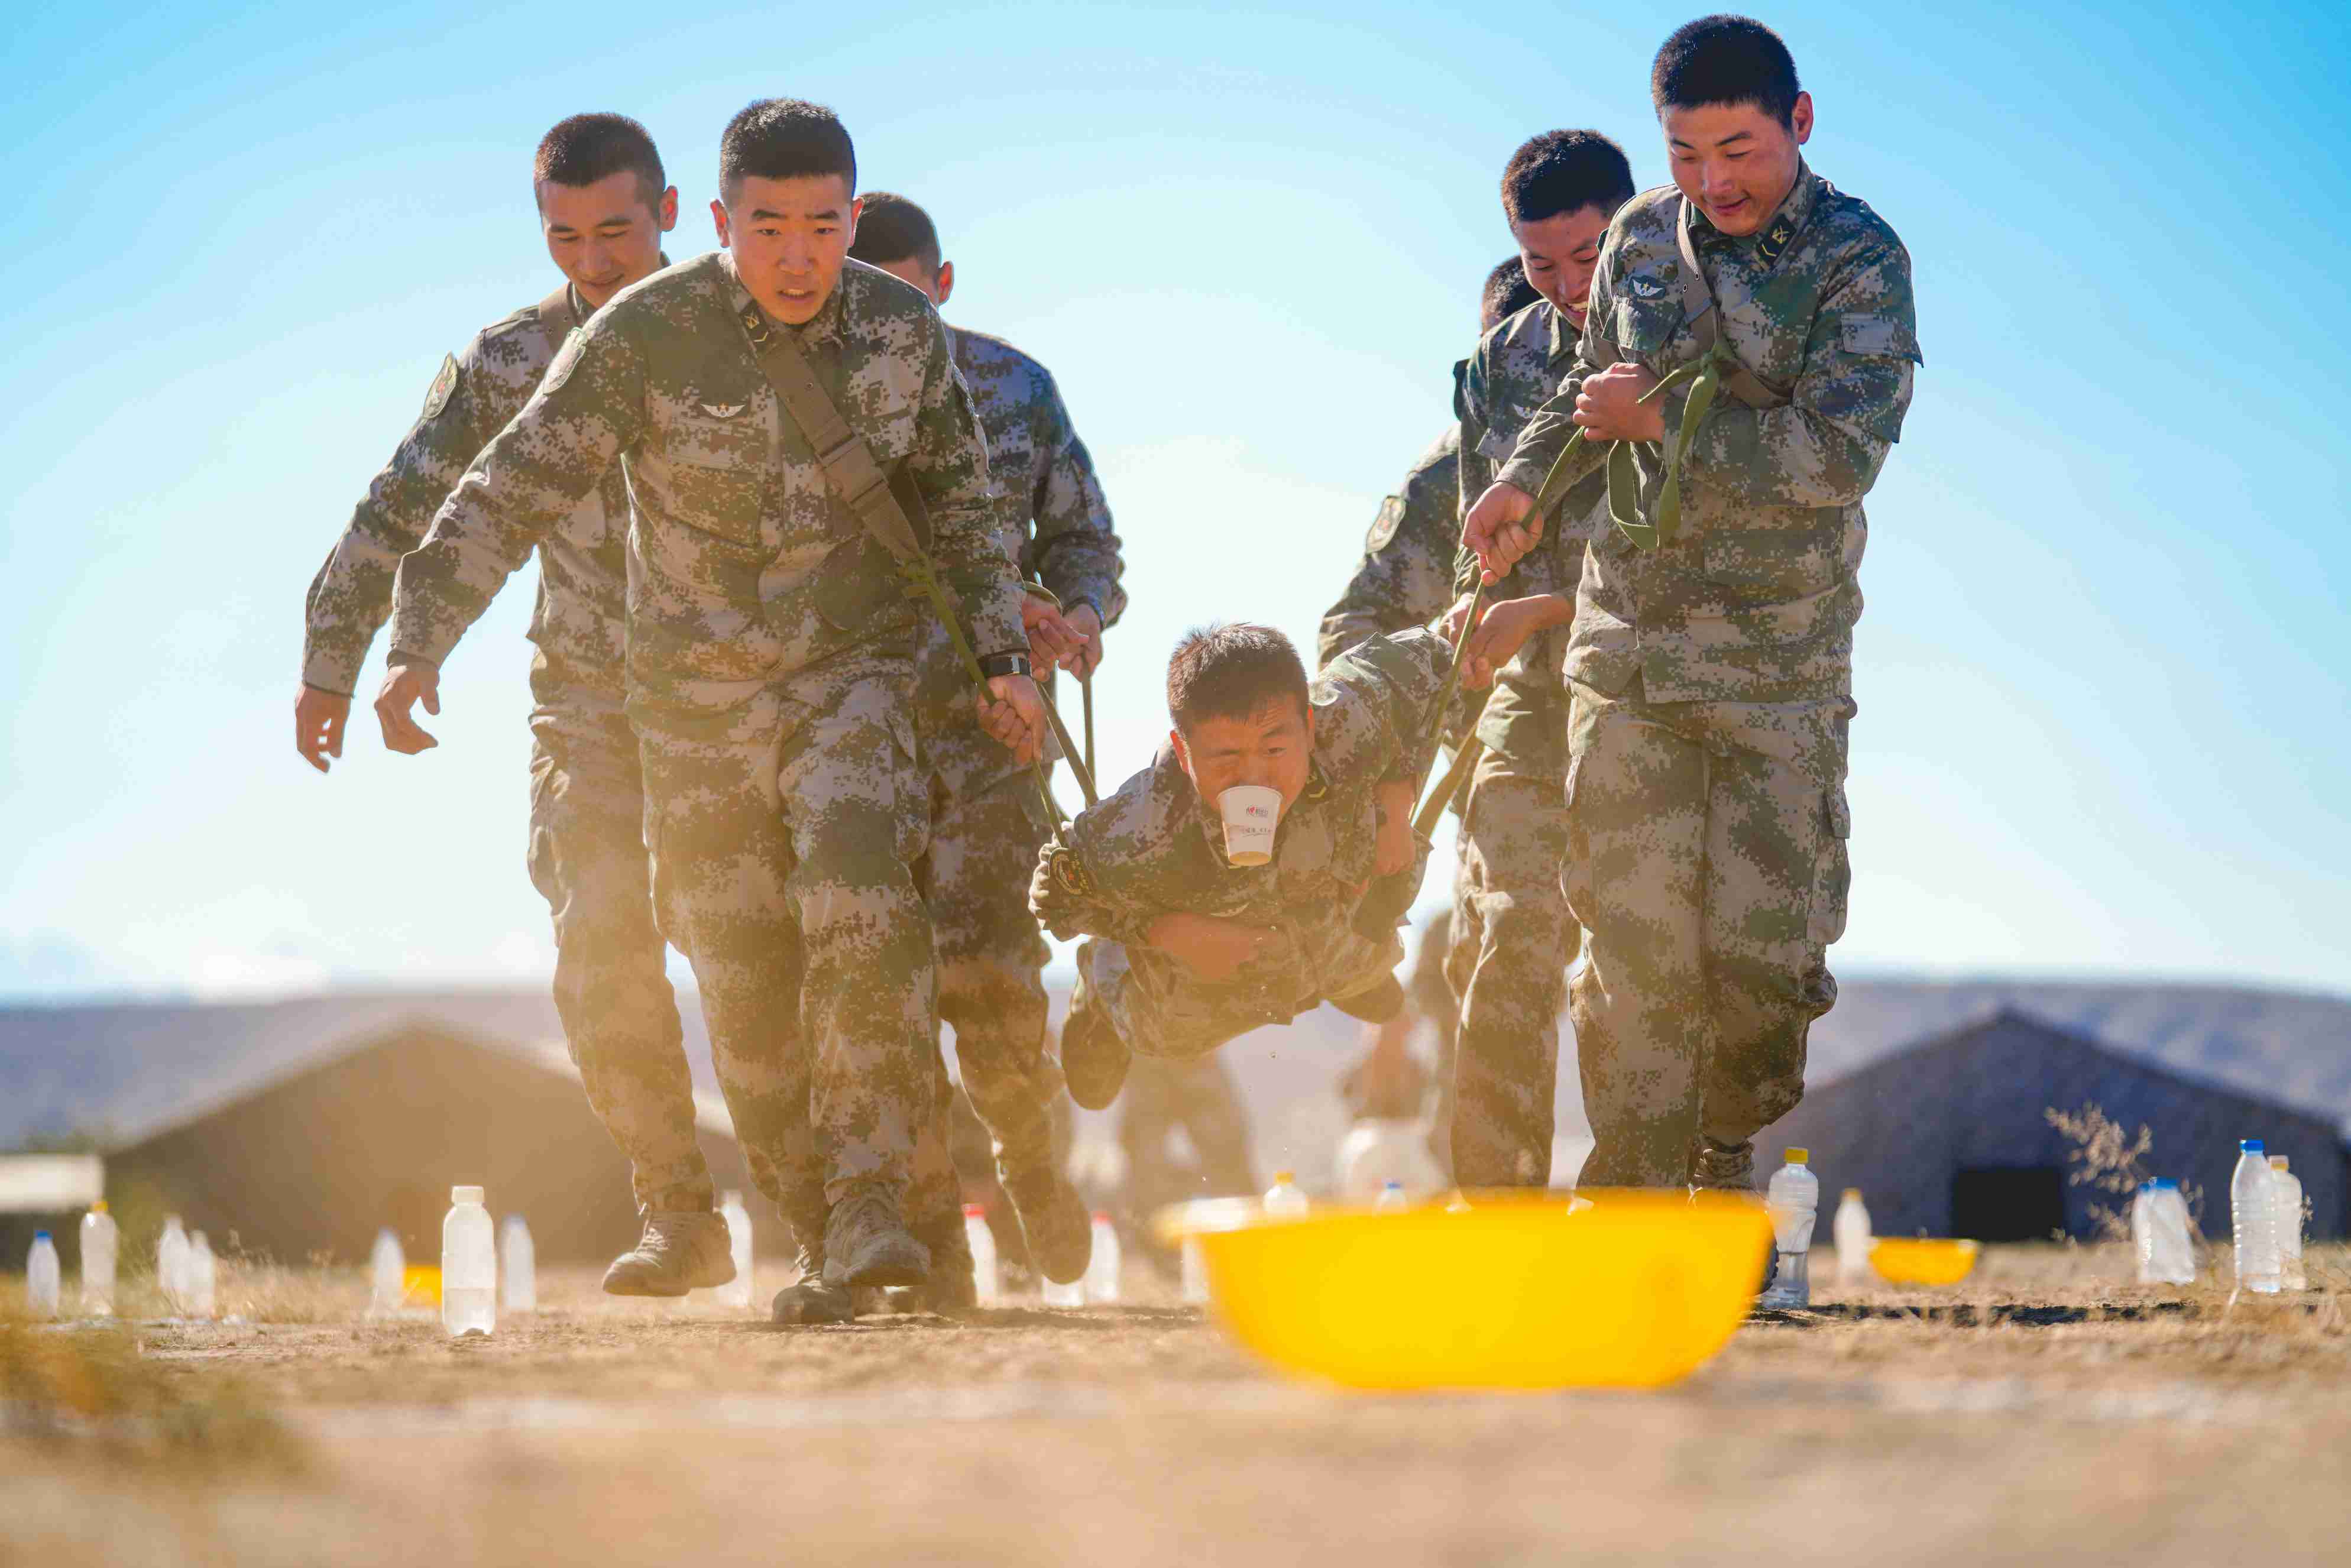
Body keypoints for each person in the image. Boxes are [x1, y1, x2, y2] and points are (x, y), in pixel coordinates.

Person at [373, 99, 1048, 1320]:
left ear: (853, 216)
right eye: (771, 228)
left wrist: (1000, 656)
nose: (799, 257)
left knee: (860, 906)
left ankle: (870, 1210)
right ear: (724, 222)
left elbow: (957, 500)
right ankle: (818, 1234)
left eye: (825, 226)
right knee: (742, 983)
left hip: (844, 679)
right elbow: (513, 479)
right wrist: (418, 637)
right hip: (684, 708)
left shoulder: (899, 332)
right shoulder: (648, 333)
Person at [1464, 17, 1920, 1190]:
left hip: (1779, 659)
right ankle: (1631, 1189)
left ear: (1798, 123)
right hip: (1629, 645)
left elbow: (1835, 455)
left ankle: (1725, 1141)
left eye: (1736, 149)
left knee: (1764, 965)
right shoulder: (1635, 241)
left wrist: (1664, 423)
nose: (1709, 183)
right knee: (1627, 941)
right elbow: (1586, 384)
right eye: (1680, 154)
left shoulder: (1858, 261)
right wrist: (1523, 480)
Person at [297, 115, 736, 1297]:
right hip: (588, 704)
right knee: (598, 944)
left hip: (745, 700)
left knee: (755, 951)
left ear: (670, 214)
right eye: (563, 238)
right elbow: (403, 504)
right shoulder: (510, 358)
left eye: (614, 232)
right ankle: (678, 1213)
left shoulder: (749, 336)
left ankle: (840, 1204)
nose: (591, 261)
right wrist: (336, 655)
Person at [845, 192, 1123, 1288]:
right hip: (854, 740)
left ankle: (1031, 1168)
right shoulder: (801, 405)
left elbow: (1085, 540)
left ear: (942, 282)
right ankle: (932, 1245)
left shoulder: (1015, 387)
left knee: (995, 988)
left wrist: (1080, 619)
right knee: (880, 993)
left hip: (993, 740)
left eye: (905, 300)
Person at [1443, 129, 1635, 1188]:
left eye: (1586, 258)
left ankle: (1639, 1205)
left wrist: (1546, 603)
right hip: (1529, 688)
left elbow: (1699, 557)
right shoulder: (1500, 361)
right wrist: (1492, 572)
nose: (1564, 287)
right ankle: (1495, 1210)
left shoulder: (1690, 341)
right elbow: (1478, 531)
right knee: (1511, 933)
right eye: (1538, 265)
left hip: (1653, 683)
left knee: (1632, 960)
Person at [1032, 625, 1450, 1106]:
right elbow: (1053, 900)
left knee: (1369, 954)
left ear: (1310, 727)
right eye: (1226, 759)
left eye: (1274, 751)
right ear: (1185, 755)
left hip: (1323, 895)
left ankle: (1344, 972)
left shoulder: (1350, 711)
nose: (1255, 777)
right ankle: (1103, 985)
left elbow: (1439, 660)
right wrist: (1163, 931)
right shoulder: (1141, 822)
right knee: (1172, 1036)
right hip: (1214, 937)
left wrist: (1399, 797)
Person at [1317, 259, 1537, 1170]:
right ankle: (1494, 1207)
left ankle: (1684, 1207)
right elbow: (1352, 635)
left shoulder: (1655, 447)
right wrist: (1395, 775)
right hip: (1500, 766)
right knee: (1498, 957)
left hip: (1650, 748)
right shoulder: (1448, 485)